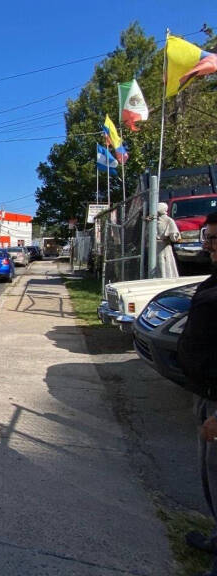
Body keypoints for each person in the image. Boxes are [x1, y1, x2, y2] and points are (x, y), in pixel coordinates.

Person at [181, 212, 217, 574]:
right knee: (210, 477)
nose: (207, 245)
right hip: (205, 393)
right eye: (208, 237)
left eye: (214, 240)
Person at [157, 202, 181, 278]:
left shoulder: (169, 220)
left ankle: (166, 278)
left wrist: (172, 235)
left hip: (164, 246)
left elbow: (175, 236)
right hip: (155, 247)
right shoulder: (153, 220)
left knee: (165, 263)